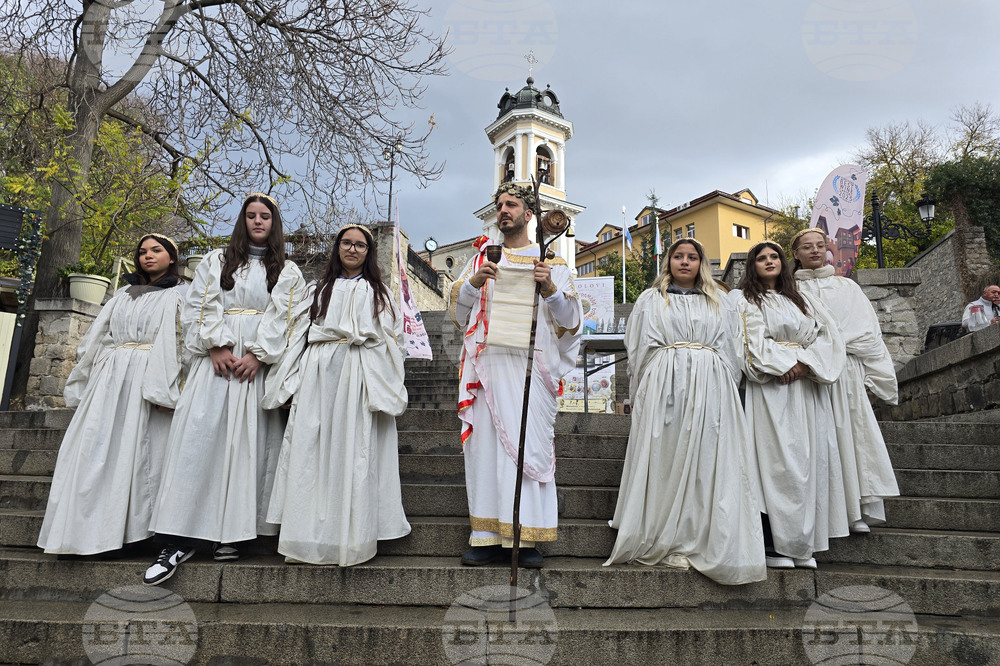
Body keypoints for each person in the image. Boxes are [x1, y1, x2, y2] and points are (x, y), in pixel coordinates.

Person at [144, 193, 305, 585]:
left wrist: (258, 355)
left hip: (253, 368)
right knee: (198, 440)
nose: (257, 221)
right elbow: (199, 302)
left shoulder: (287, 270)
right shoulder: (217, 260)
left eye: (265, 215)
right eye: (250, 215)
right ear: (242, 220)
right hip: (214, 363)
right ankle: (180, 533)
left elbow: (286, 316)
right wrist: (216, 344)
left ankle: (232, 532)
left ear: (275, 222)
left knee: (246, 447)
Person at [604, 238, 766, 585]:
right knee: (665, 456)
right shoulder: (650, 300)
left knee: (707, 457)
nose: (685, 262)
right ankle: (662, 529)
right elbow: (638, 347)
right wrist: (648, 389)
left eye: (692, 257)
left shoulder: (719, 300)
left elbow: (731, 345)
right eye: (678, 256)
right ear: (669, 261)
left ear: (701, 263)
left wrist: (721, 381)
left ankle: (702, 531)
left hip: (710, 385)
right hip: (665, 382)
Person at [262, 224, 411, 565]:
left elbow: (394, 340)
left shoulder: (381, 293)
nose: (353, 249)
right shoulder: (317, 289)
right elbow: (296, 335)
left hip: (360, 373)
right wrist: (289, 380)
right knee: (312, 449)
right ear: (337, 248)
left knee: (354, 449)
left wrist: (381, 380)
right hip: (319, 374)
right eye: (347, 243)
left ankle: (353, 535)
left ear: (368, 253)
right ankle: (305, 535)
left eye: (360, 245)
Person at [450, 182, 582, 568]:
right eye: (499, 205)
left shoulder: (553, 264)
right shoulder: (480, 261)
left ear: (529, 214)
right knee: (487, 452)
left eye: (512, 204)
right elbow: (459, 316)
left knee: (526, 448)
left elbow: (572, 323)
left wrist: (550, 289)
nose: (503, 210)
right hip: (487, 370)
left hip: (530, 371)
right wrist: (474, 284)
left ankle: (526, 538)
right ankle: (486, 537)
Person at [38, 234, 186, 556]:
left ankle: (136, 532)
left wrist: (169, 386)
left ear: (172, 257)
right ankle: (88, 529)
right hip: (111, 380)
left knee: (143, 453)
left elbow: (180, 343)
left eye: (156, 250)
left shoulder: (179, 296)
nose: (148, 256)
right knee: (97, 449)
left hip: (150, 378)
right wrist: (94, 375)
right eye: (142, 251)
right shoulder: (122, 294)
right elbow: (98, 337)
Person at [734, 241, 849, 569]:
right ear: (752, 266)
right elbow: (747, 343)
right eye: (761, 258)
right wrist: (788, 363)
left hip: (804, 392)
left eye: (774, 257)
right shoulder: (742, 300)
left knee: (806, 463)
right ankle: (773, 544)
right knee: (772, 464)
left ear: (783, 263)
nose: (768, 261)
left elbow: (828, 338)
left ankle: (801, 545)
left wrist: (805, 364)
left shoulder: (802, 299)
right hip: (769, 390)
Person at [792, 229, 900, 533]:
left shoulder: (846, 287)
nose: (814, 251)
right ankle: (825, 513)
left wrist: (841, 351)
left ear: (827, 249)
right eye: (806, 247)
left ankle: (857, 510)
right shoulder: (789, 292)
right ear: (796, 253)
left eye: (819, 246)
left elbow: (868, 332)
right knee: (819, 440)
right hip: (812, 373)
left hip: (846, 373)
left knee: (851, 435)